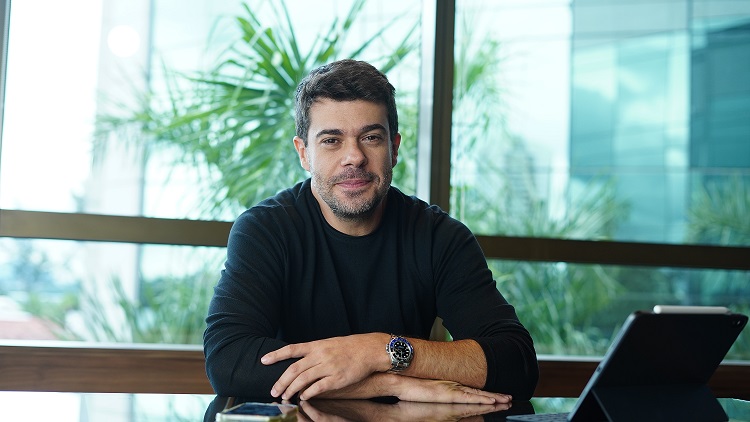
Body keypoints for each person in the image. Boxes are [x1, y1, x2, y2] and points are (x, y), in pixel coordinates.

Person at [203, 59, 539, 404]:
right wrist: (388, 385)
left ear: (393, 148)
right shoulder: (265, 230)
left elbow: (516, 364)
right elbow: (228, 360)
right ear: (304, 154)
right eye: (331, 140)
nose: (354, 157)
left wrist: (378, 350)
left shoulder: (439, 237)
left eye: (371, 137)